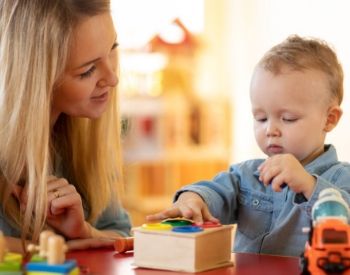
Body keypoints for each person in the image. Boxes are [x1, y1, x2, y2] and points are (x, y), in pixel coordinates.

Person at [147, 35, 350, 257]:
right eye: (261, 118)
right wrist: (193, 200)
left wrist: (309, 186)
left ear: (329, 119)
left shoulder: (342, 179)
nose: (270, 130)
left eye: (288, 118)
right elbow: (215, 191)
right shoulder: (247, 175)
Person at [0, 0, 131, 253]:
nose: (112, 78)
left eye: (112, 47)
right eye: (87, 70)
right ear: (36, 78)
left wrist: (82, 232)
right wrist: (60, 246)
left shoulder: (83, 137)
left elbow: (121, 234)